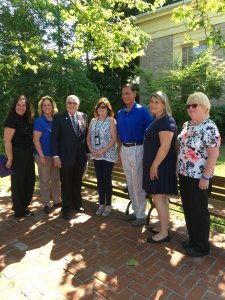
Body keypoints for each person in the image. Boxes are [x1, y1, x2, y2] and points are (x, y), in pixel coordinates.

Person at [177, 92, 221, 257]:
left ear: (205, 107)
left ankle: (202, 247)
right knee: (189, 209)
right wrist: (177, 167)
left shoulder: (209, 127)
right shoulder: (187, 125)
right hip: (184, 174)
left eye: (194, 105)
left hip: (199, 178)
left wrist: (205, 177)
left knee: (199, 211)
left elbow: (213, 154)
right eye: (188, 105)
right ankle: (193, 240)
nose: (190, 108)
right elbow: (181, 149)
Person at [143, 91, 177, 243]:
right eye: (151, 101)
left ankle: (164, 233)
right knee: (160, 197)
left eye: (157, 102)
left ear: (164, 104)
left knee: (159, 197)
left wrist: (154, 165)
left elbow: (165, 146)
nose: (153, 104)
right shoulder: (156, 119)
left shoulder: (166, 121)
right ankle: (163, 226)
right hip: (156, 164)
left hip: (160, 166)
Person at [117, 84, 153, 226]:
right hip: (125, 149)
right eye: (123, 93)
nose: (125, 96)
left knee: (138, 183)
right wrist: (120, 151)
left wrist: (146, 154)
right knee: (130, 182)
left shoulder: (142, 111)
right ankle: (136, 211)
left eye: (127, 93)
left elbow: (150, 134)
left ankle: (142, 215)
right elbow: (119, 134)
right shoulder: (120, 113)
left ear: (134, 94)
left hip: (139, 148)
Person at [51, 95, 88, 220]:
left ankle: (77, 204)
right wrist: (55, 156)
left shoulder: (83, 116)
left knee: (77, 182)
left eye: (74, 103)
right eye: (69, 103)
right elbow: (54, 139)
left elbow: (85, 136)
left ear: (78, 105)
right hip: (65, 157)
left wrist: (87, 153)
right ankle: (66, 209)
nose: (72, 105)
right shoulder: (58, 118)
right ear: (66, 104)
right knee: (66, 184)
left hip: (80, 158)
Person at [4, 95, 35, 218]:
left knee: (30, 180)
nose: (21, 107)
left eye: (23, 105)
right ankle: (19, 210)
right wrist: (10, 158)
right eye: (18, 105)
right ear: (14, 106)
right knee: (18, 182)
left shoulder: (27, 119)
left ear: (26, 107)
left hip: (28, 155)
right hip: (17, 155)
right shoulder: (12, 120)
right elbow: (7, 141)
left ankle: (21, 205)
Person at [87, 98, 117, 217]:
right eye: (99, 107)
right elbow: (88, 137)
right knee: (99, 180)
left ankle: (108, 205)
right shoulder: (93, 121)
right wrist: (91, 150)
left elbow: (114, 139)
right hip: (96, 155)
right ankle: (101, 204)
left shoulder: (111, 120)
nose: (101, 109)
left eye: (103, 107)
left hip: (107, 155)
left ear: (108, 109)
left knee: (106, 180)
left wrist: (102, 151)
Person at [33, 96, 62, 214]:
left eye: (48, 105)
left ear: (52, 106)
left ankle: (57, 200)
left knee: (56, 178)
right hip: (43, 155)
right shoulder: (39, 121)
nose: (46, 107)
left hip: (55, 155)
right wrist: (41, 156)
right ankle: (46, 203)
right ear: (41, 107)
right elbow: (36, 140)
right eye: (44, 105)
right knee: (44, 180)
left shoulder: (56, 119)